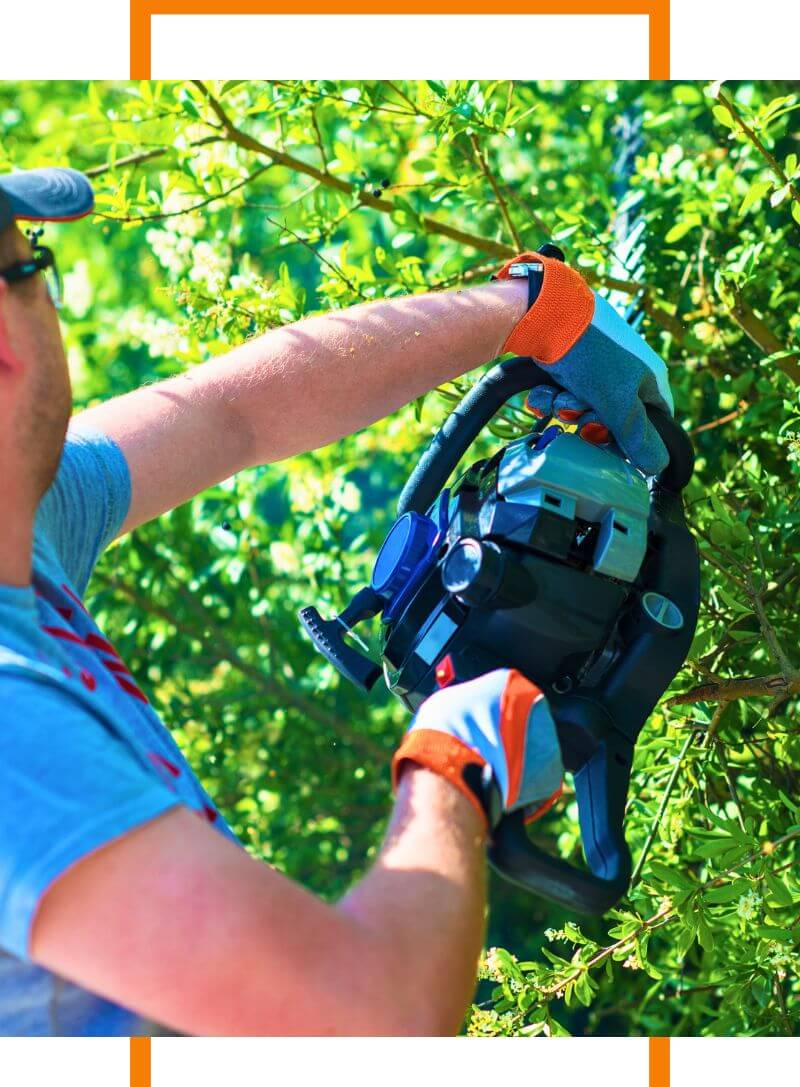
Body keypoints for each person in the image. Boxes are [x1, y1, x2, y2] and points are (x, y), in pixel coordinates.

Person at [0, 167, 672, 1036]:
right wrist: (456, 763)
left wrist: (531, 310)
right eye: (26, 263)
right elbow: (371, 1020)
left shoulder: (29, 523)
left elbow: (234, 410)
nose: (36, 290)